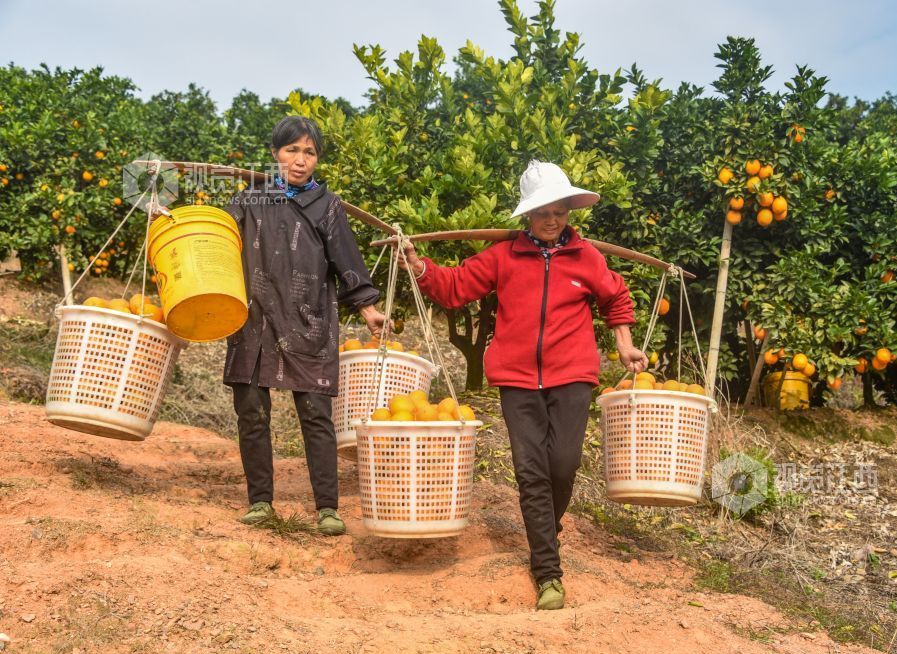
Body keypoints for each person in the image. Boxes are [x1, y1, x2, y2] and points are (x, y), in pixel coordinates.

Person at [398, 160, 647, 609]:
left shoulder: (587, 257)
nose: (552, 220)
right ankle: (548, 572)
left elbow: (616, 297)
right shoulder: (503, 256)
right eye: (542, 212)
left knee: (563, 465)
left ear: (570, 210)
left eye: (560, 211)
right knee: (531, 471)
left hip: (572, 374)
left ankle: (545, 529)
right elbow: (454, 288)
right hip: (516, 379)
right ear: (527, 216)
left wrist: (625, 345)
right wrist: (419, 268)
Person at [224, 116, 386, 535]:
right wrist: (168, 217)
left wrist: (368, 307)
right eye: (291, 150)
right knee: (252, 413)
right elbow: (216, 237)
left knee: (316, 414)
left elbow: (345, 258)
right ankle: (260, 501)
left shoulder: (326, 206)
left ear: (317, 160)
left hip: (307, 319)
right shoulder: (251, 198)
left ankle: (327, 508)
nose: (300, 160)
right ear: (276, 153)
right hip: (254, 319)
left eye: (309, 152)